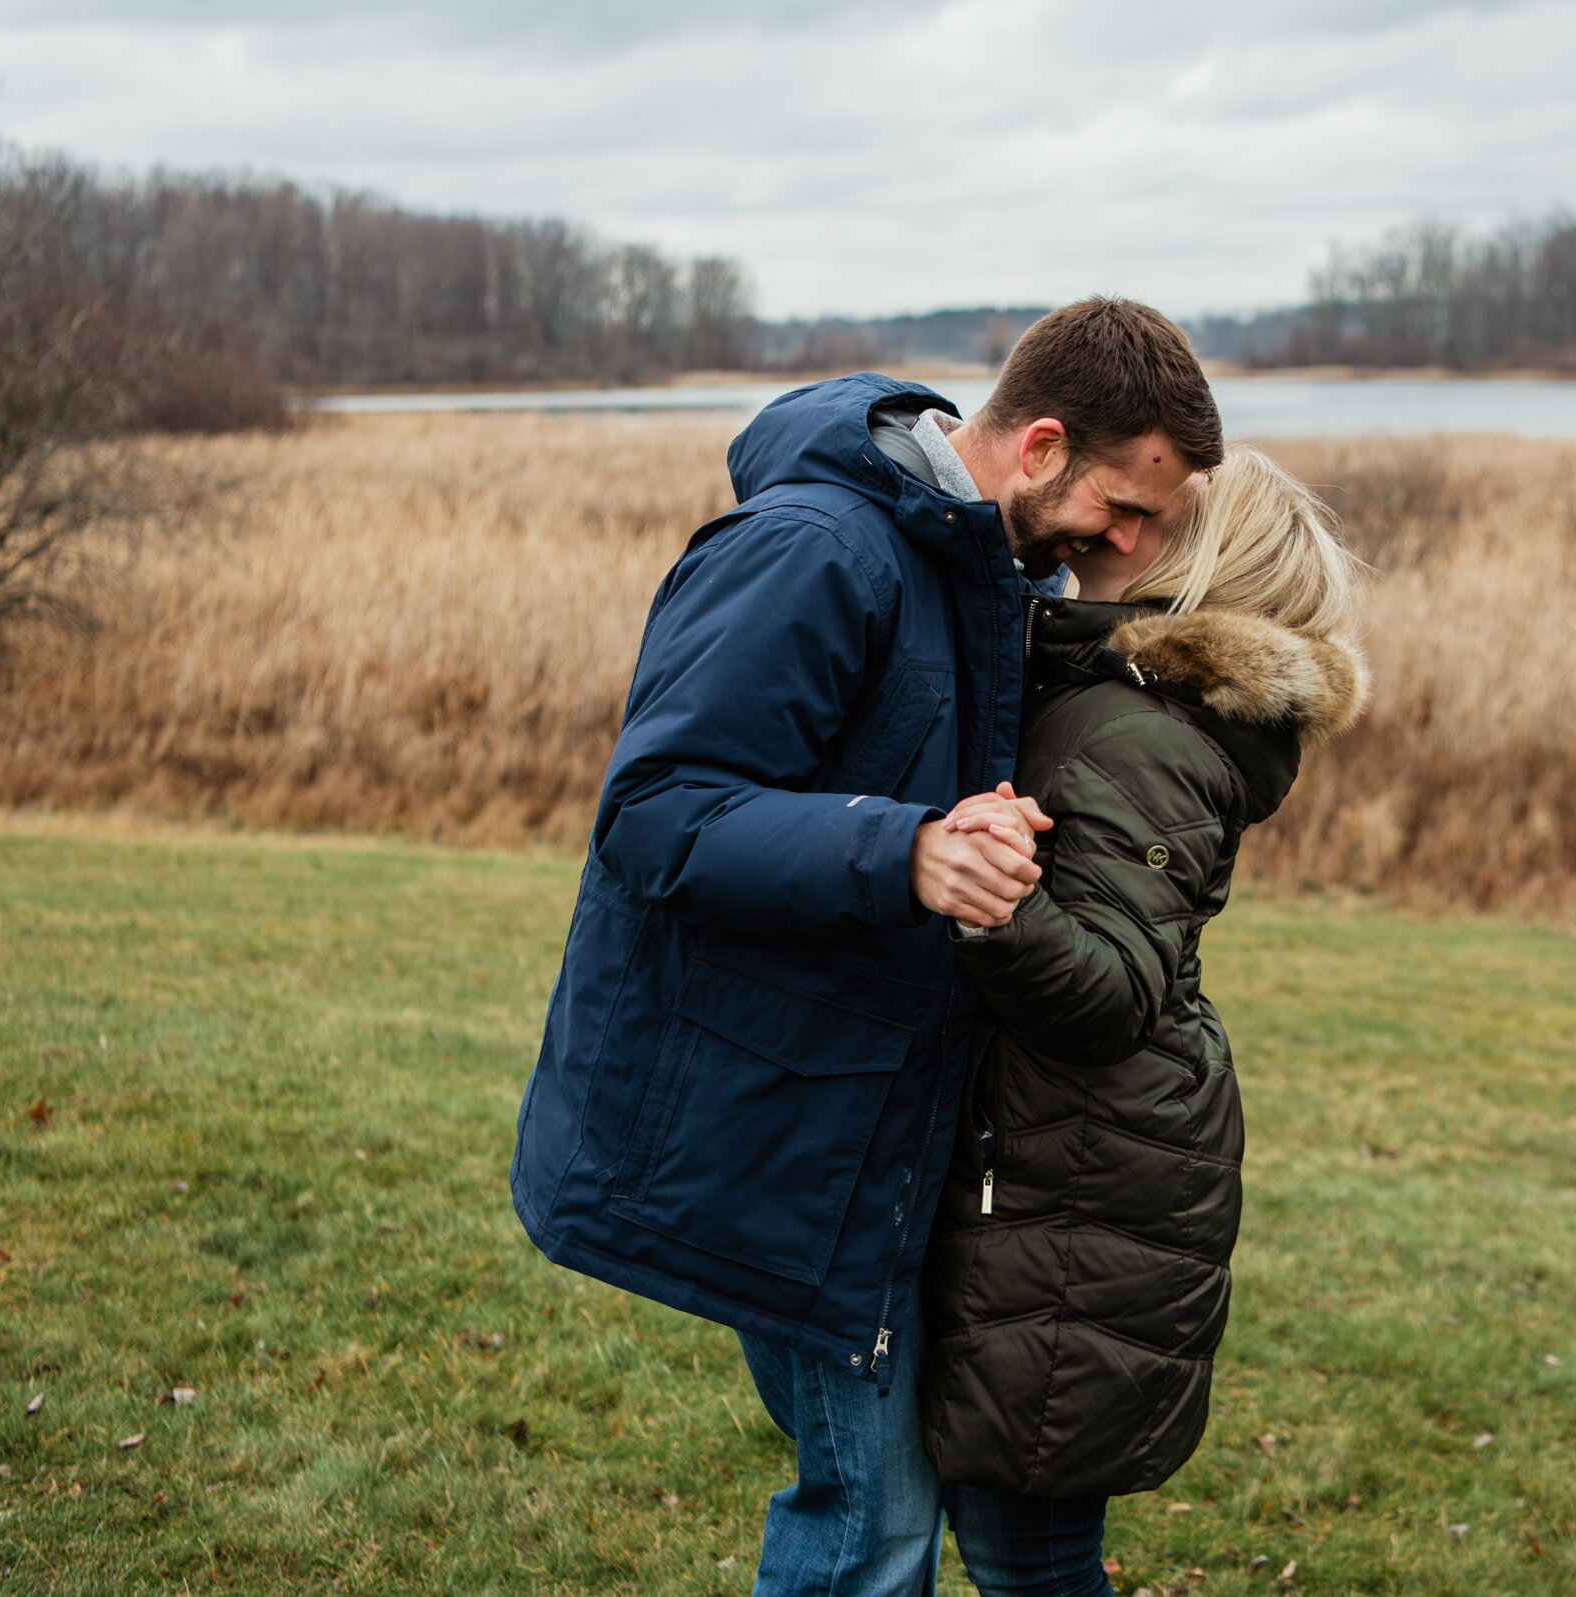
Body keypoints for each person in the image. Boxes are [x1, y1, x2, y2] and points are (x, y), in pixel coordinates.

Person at [509, 298, 1224, 1597]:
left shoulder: (981, 567)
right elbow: (655, 814)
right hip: (783, 1125)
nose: (1125, 550)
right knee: (869, 1531)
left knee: (884, 1520)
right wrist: (908, 852)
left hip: (876, 1130)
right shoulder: (815, 549)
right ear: (1040, 444)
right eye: (1124, 508)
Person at [916, 447, 1371, 1595]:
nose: (1112, 532)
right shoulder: (1123, 705)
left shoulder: (1140, 734)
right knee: (1023, 1535)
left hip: (1082, 1174)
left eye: (1147, 520)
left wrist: (990, 895)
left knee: (1032, 1553)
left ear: (1198, 567)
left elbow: (1112, 987)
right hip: (1081, 1155)